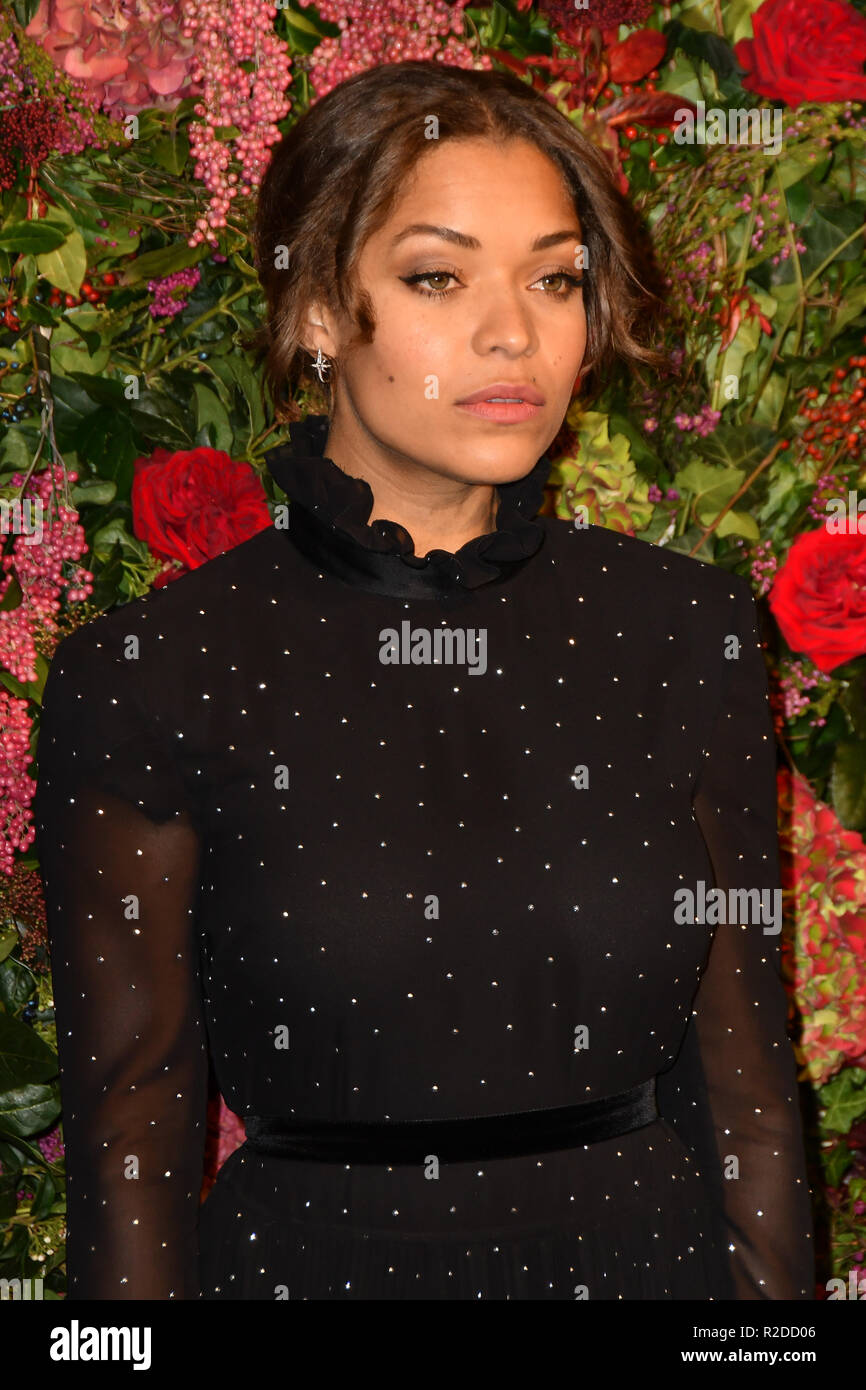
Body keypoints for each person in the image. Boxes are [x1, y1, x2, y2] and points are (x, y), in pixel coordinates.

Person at [34, 59, 814, 1301]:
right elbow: (129, 1136)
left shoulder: (684, 629)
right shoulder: (154, 673)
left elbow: (748, 1091)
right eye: (436, 276)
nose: (512, 332)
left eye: (556, 278)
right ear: (315, 315)